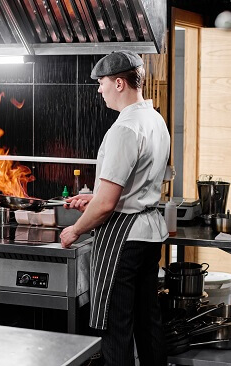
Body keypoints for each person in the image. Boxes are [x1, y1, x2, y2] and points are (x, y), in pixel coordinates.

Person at [60, 50, 170, 366]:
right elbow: (126, 189)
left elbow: (108, 204)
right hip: (148, 236)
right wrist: (92, 200)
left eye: (102, 82)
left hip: (124, 239)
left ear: (119, 83)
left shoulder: (125, 128)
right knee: (148, 324)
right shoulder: (155, 119)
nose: (99, 89)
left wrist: (75, 230)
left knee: (116, 329)